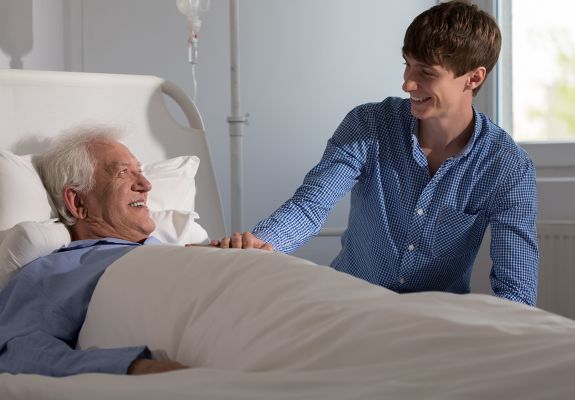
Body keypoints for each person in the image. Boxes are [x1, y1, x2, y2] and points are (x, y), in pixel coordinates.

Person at [220, 0, 539, 306]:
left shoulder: (507, 168)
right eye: (407, 65)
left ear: (474, 77)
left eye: (426, 73)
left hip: (434, 324)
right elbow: (310, 207)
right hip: (350, 305)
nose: (408, 84)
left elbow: (516, 290)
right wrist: (259, 245)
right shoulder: (369, 124)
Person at [0, 126, 188, 376]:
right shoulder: (56, 271)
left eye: (139, 172)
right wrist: (135, 367)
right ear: (78, 202)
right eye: (123, 173)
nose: (146, 184)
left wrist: (236, 250)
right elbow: (15, 349)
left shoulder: (177, 248)